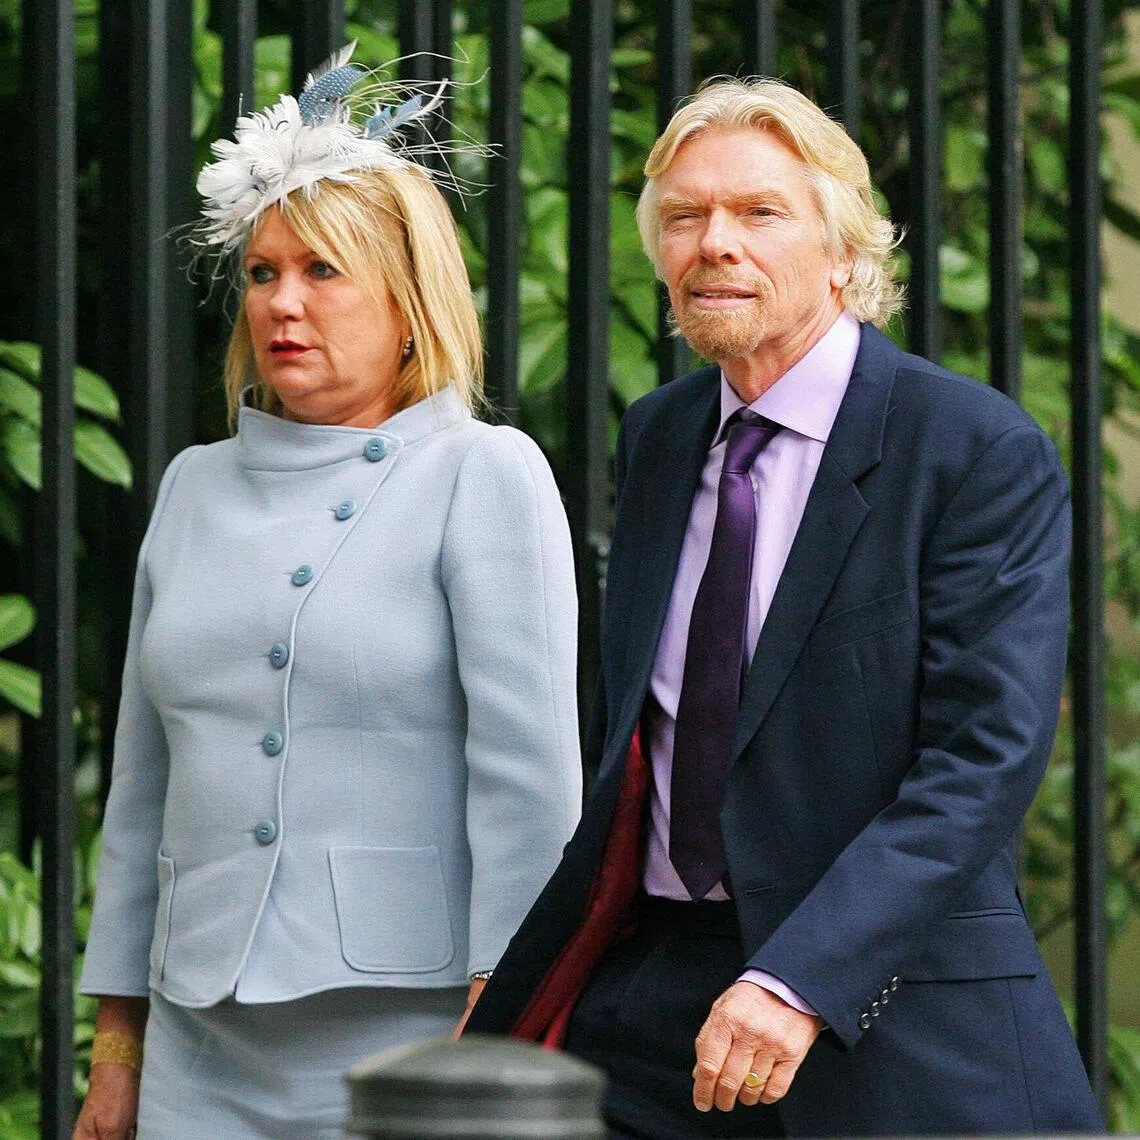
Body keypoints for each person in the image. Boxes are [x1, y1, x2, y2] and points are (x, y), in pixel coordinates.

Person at [466, 76, 1103, 1137]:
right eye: (684, 216)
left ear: (846, 252)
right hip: (654, 999)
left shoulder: (973, 451)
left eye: (760, 212)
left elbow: (984, 757)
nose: (715, 241)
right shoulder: (662, 437)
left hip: (879, 1016)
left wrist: (801, 979)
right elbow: (635, 735)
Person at [74, 48, 581, 1140]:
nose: (283, 305)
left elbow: (529, 792)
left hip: (409, 1032)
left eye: (323, 273)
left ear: (409, 301)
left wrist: (499, 1042)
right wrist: (118, 1051)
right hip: (194, 1037)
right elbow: (140, 789)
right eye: (263, 273)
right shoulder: (191, 487)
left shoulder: (481, 473)